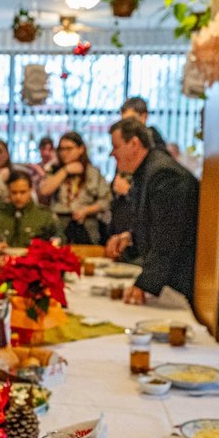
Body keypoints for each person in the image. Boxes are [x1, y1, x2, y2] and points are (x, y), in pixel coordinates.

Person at [104, 118, 199, 304]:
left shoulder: (165, 175)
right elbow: (153, 222)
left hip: (177, 280)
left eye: (116, 147)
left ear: (134, 143)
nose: (112, 154)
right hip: (168, 277)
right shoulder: (148, 171)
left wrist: (145, 284)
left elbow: (168, 237)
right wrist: (130, 237)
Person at [37, 132, 111, 245]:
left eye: (69, 149)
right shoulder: (54, 170)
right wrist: (65, 171)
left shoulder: (92, 172)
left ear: (81, 149)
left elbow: (106, 200)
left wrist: (86, 210)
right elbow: (44, 191)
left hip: (86, 224)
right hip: (59, 223)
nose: (64, 153)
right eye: (61, 149)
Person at [0, 170, 61, 255]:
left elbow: (58, 243)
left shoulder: (45, 217)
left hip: (35, 264)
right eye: (14, 192)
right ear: (8, 190)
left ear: (30, 190)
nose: (18, 197)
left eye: (23, 192)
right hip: (1, 262)